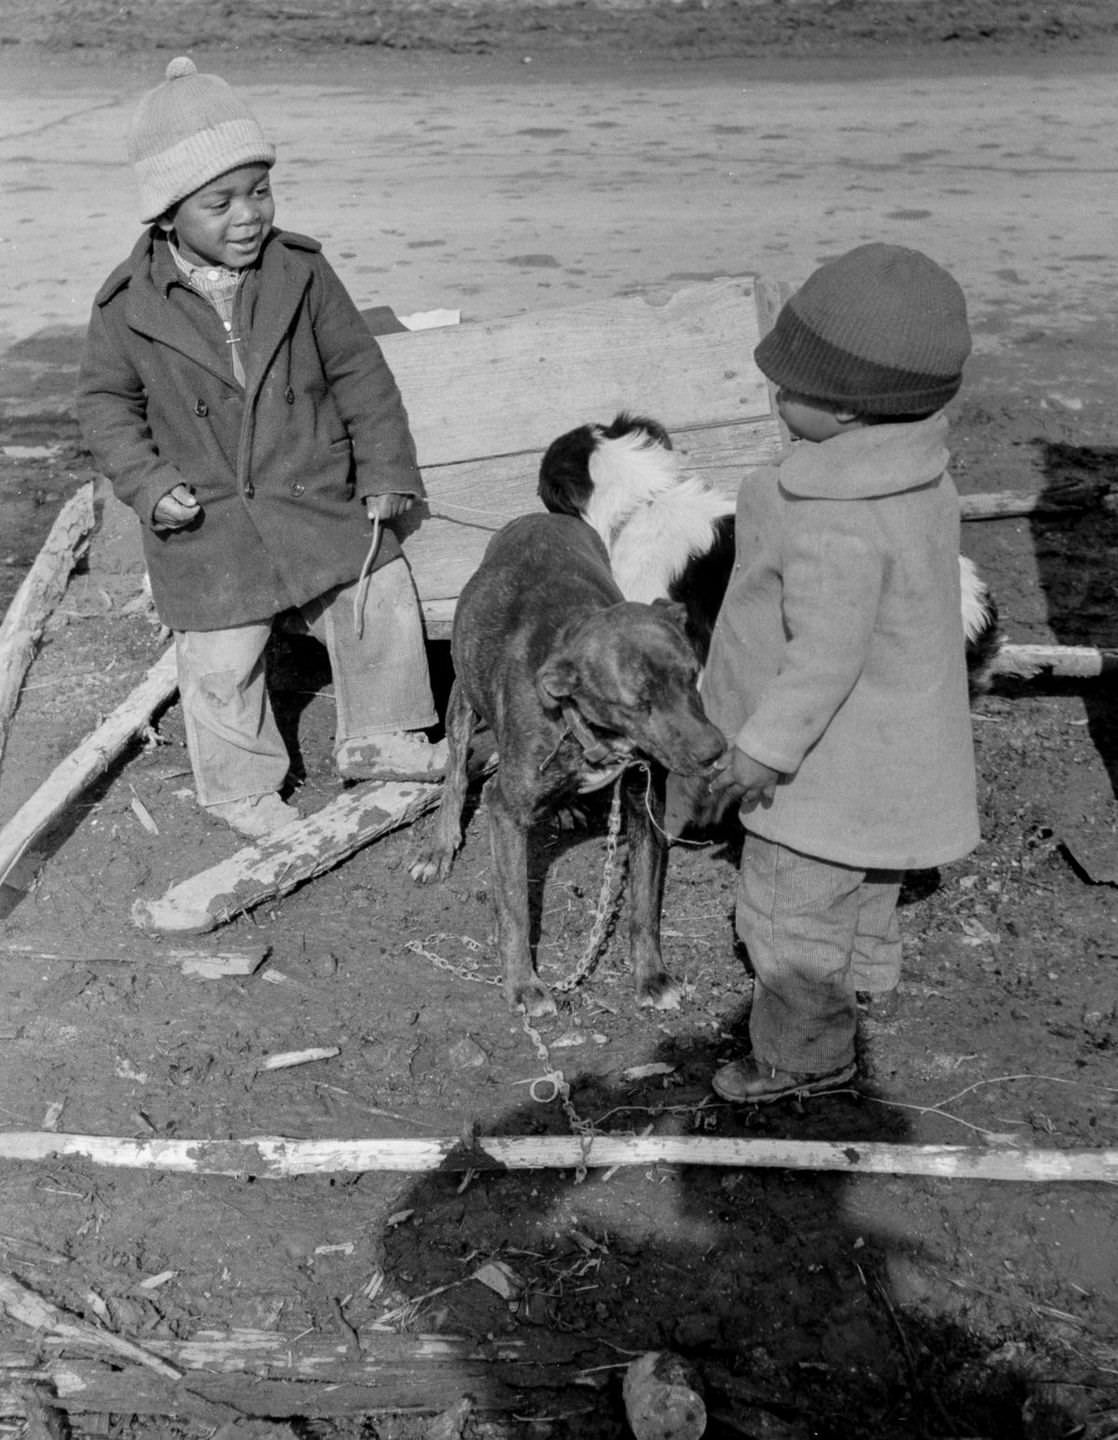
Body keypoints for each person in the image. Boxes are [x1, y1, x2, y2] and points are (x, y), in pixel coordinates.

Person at [77, 57, 445, 839]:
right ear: (168, 215)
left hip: (311, 490)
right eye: (221, 202)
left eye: (260, 191)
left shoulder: (302, 271)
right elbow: (105, 405)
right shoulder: (126, 304)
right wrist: (147, 483)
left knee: (373, 589)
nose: (248, 215)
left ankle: (383, 732)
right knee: (219, 652)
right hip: (207, 513)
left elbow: (360, 372)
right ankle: (241, 786)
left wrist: (384, 471)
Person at [702, 242, 980, 1104]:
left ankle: (802, 1061)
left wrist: (759, 753)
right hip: (896, 760)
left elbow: (818, 662)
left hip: (820, 773)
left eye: (792, 390)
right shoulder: (924, 479)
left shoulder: (829, 518)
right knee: (866, 887)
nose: (776, 400)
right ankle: (861, 987)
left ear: (852, 414)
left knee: (788, 916)